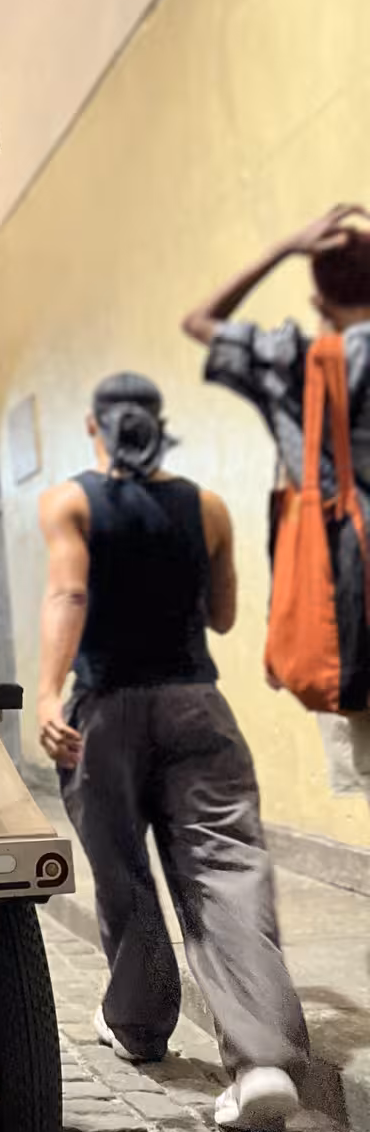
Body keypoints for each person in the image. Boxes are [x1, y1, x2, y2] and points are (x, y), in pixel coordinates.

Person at [37, 373, 309, 1132]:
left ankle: (138, 1026)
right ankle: (261, 1063)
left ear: (96, 425)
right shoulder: (208, 506)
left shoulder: (71, 502)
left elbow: (69, 597)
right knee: (227, 874)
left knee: (123, 875)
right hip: (198, 709)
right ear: (161, 425)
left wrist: (49, 692)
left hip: (107, 711)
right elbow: (220, 615)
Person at [183, 206, 370, 793]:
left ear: (318, 300)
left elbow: (200, 320)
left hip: (348, 609)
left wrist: (286, 246)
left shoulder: (294, 365)